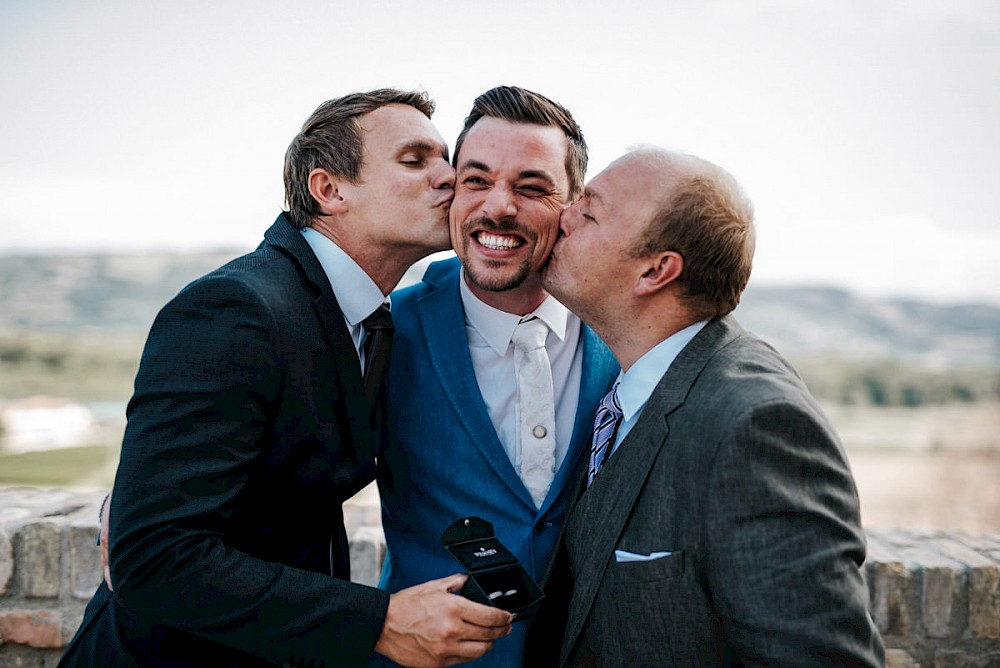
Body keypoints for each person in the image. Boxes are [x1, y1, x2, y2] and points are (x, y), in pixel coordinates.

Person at [59, 88, 512, 668]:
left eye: (446, 158)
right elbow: (152, 558)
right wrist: (380, 623)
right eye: (414, 159)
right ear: (329, 190)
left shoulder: (370, 322)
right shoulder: (237, 309)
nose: (448, 177)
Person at [524, 147, 885, 666]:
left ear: (655, 271)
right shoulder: (630, 386)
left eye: (589, 210)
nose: (563, 215)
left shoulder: (756, 426)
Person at [373, 87, 618, 667]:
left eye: (532, 187)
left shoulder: (627, 333)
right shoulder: (385, 330)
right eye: (476, 180)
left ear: (573, 204)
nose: (498, 207)